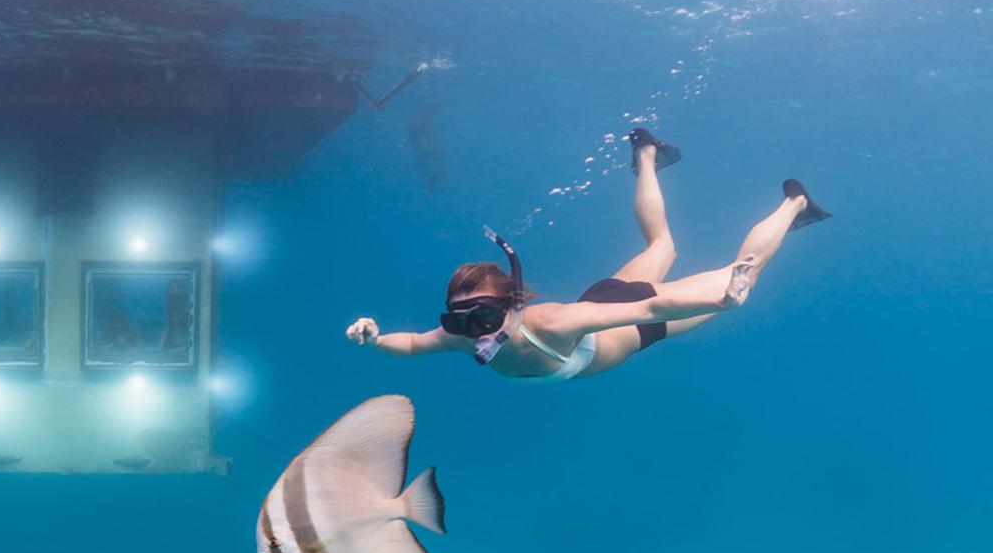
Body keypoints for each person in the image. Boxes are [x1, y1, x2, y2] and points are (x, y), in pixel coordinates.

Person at [345, 129, 830, 381]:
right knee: (662, 246)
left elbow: (649, 307)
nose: (477, 332)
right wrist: (373, 338)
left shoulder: (552, 321)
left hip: (634, 321)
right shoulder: (466, 337)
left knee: (740, 271)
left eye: (484, 316)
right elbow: (409, 344)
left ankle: (795, 204)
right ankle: (646, 155)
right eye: (461, 321)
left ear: (513, 303)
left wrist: (720, 301)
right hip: (602, 302)